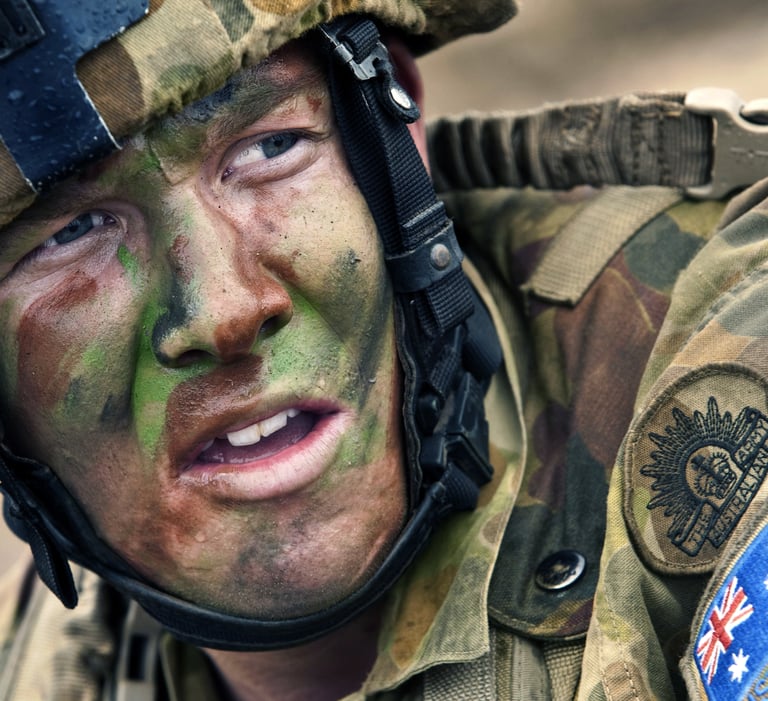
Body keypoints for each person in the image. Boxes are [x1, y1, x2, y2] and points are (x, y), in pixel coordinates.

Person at [1, 1, 768, 699]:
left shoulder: (728, 351)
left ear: (395, 131)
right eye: (72, 232)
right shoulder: (42, 661)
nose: (224, 313)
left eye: (271, 147)